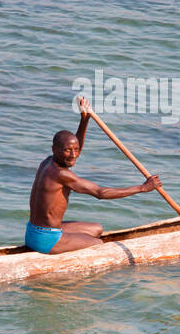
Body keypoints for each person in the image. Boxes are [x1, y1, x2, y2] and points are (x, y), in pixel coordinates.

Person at [25, 97, 160, 254]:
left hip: (32, 232)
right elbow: (100, 193)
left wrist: (84, 120)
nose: (73, 155)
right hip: (45, 240)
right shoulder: (62, 174)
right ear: (55, 149)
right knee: (98, 243)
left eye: (75, 150)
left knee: (97, 229)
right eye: (68, 150)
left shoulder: (48, 162)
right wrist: (142, 188)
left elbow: (75, 147)